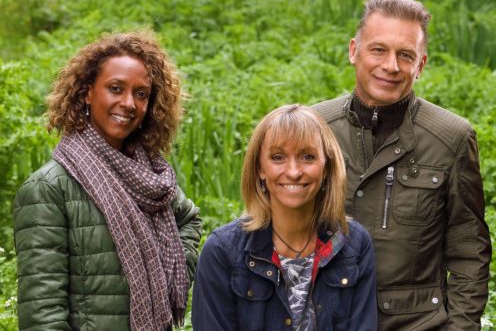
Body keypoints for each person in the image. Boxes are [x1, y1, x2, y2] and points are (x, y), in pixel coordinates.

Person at [313, 0, 492, 330]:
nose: (391, 66)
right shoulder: (314, 129)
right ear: (354, 51)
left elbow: (470, 253)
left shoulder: (451, 138)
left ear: (420, 65)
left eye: (405, 55)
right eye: (378, 49)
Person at [13, 31, 202, 330]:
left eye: (141, 94)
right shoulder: (49, 188)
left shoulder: (148, 176)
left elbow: (188, 219)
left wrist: (169, 273)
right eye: (116, 88)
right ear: (88, 92)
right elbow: (42, 315)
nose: (129, 103)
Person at [192, 104, 377, 331]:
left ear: (326, 167)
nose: (293, 171)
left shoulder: (354, 245)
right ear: (260, 168)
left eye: (308, 157)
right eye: (278, 157)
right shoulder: (222, 252)